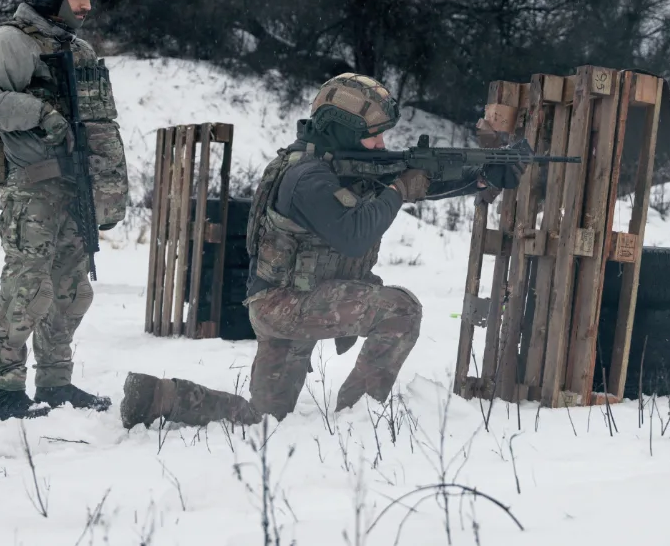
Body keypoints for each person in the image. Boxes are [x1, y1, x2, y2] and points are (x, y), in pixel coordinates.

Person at [119, 73, 525, 429]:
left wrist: (483, 177)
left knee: (264, 420)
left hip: (288, 301)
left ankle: (162, 397)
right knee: (401, 310)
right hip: (286, 305)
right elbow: (354, 234)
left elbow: (419, 182)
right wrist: (399, 190)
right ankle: (357, 420)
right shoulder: (307, 176)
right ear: (342, 129)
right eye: (373, 134)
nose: (382, 143)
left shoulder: (338, 162)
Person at [0, 0, 129, 420]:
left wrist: (108, 188)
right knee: (28, 288)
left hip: (76, 191)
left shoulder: (77, 49)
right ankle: (6, 390)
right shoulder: (10, 42)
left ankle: (56, 382)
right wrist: (38, 112)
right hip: (32, 189)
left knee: (72, 291)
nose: (86, 5)